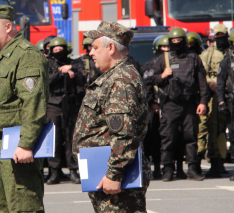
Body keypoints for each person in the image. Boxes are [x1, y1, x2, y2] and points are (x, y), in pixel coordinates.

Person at [0, 5, 48, 212]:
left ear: (8, 27)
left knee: (23, 208)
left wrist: (26, 144)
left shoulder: (26, 55)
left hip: (17, 147)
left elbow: (33, 104)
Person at [72, 21, 151, 213]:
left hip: (116, 180)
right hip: (105, 174)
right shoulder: (113, 76)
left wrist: (114, 175)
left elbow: (124, 134)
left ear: (111, 47)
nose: (90, 52)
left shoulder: (120, 80)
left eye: (95, 47)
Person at [149, 28, 208, 181]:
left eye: (179, 40)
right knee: (168, 138)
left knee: (191, 138)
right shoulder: (164, 59)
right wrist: (162, 75)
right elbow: (151, 80)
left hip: (189, 103)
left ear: (184, 41)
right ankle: (168, 170)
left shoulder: (194, 58)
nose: (176, 43)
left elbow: (202, 83)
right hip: (170, 104)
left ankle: (193, 169)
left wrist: (203, 102)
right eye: (173, 41)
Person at [46, 37, 83, 185]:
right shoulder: (48, 64)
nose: (58, 52)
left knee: (71, 139)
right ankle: (54, 171)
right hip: (53, 105)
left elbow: (83, 79)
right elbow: (45, 80)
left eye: (61, 49)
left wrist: (72, 70)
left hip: (71, 104)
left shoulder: (75, 63)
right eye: (55, 50)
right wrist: (61, 72)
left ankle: (73, 171)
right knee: (54, 139)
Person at [200, 24, 230, 178]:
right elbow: (201, 71)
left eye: (222, 35)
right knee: (213, 128)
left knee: (224, 130)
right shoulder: (208, 54)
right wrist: (211, 81)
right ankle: (214, 162)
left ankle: (223, 161)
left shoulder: (230, 53)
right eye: (217, 36)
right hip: (214, 97)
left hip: (228, 95)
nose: (220, 38)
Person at [143, 35, 168, 179]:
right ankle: (152, 168)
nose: (166, 50)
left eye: (168, 48)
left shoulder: (174, 64)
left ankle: (165, 167)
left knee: (165, 138)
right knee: (151, 137)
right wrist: (152, 103)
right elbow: (147, 85)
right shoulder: (150, 65)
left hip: (169, 106)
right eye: (163, 48)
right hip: (153, 107)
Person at [216, 29, 234, 181]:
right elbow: (220, 82)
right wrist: (221, 101)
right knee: (233, 135)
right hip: (231, 101)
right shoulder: (227, 59)